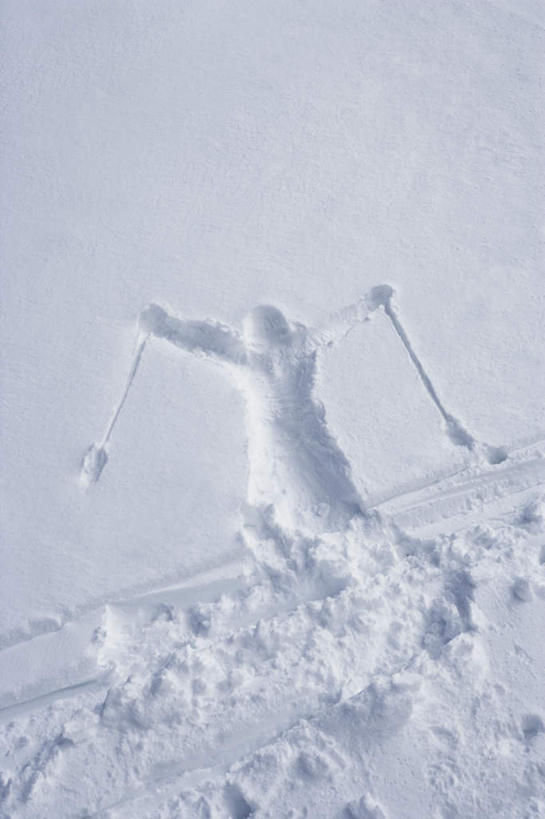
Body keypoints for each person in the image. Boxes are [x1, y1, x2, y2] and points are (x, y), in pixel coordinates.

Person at [137, 287, 392, 534]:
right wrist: (364, 306)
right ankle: (338, 519)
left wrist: (164, 328)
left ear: (251, 335)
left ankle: (285, 527)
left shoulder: (247, 360)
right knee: (322, 473)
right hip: (308, 428)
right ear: (281, 326)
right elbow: (331, 327)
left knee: (274, 480)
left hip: (271, 434)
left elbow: (203, 344)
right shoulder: (297, 348)